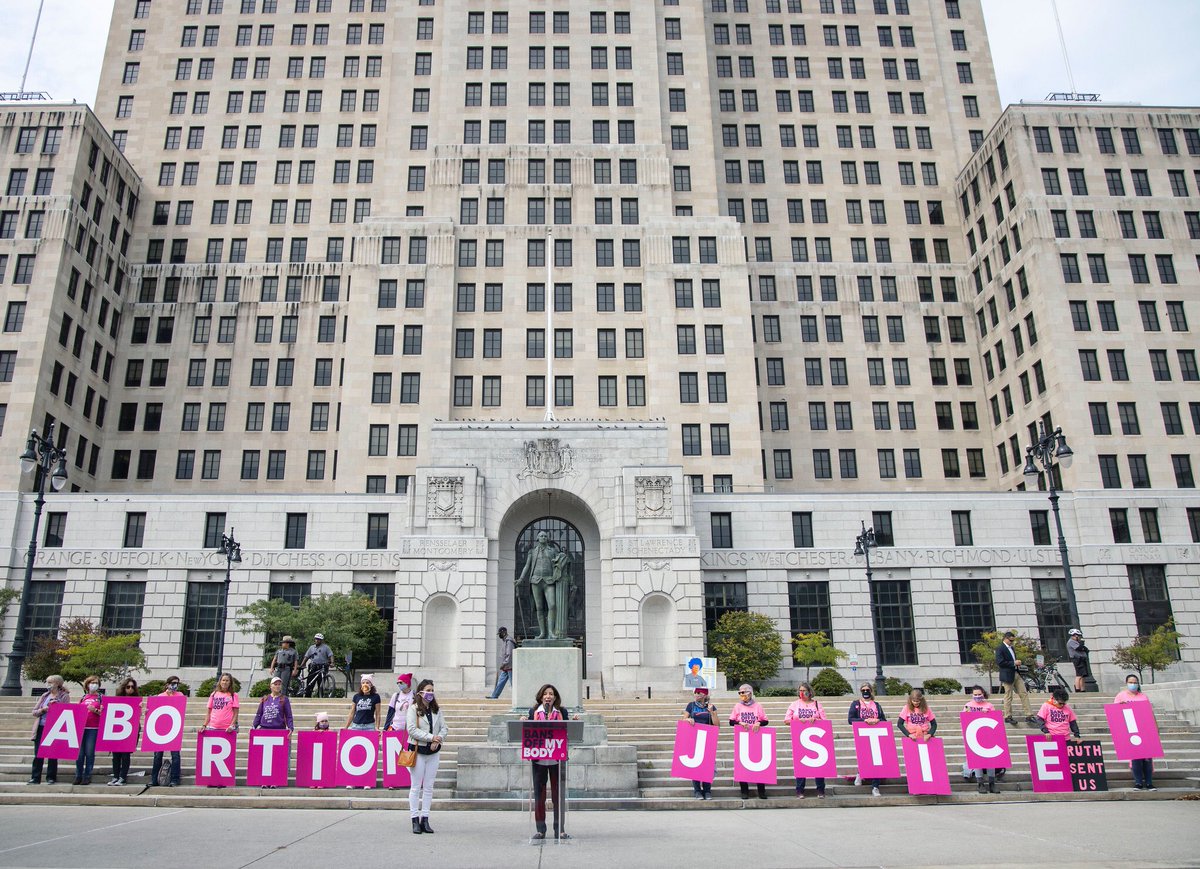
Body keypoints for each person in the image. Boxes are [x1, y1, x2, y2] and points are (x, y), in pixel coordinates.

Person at [521, 684, 579, 839]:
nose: (548, 696)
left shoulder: (562, 712)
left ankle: (559, 829)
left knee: (557, 796)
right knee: (539, 796)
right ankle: (540, 829)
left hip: (556, 759)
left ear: (555, 697)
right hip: (539, 759)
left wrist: (573, 722)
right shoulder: (534, 712)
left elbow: (568, 732)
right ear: (541, 697)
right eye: (545, 694)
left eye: (551, 694)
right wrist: (524, 722)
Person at [406, 679, 447, 835]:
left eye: (432, 690)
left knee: (429, 787)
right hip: (418, 751)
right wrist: (431, 738)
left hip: (433, 752)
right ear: (420, 692)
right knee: (416, 786)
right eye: (428, 690)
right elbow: (411, 730)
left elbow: (444, 727)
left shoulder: (436, 710)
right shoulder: (413, 709)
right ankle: (414, 819)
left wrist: (439, 738)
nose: (430, 693)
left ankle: (425, 818)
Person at [517, 531, 573, 640]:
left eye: (545, 536)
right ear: (537, 538)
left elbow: (560, 562)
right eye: (541, 536)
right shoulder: (532, 552)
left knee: (552, 605)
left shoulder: (552, 551)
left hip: (549, 581)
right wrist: (521, 579)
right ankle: (542, 633)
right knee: (539, 608)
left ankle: (551, 632)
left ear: (547, 539)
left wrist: (564, 557)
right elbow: (527, 566)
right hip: (536, 581)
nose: (543, 537)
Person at [785, 682, 827, 798]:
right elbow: (786, 720)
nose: (802, 693)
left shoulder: (817, 704)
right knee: (801, 764)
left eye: (804, 690)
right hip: (800, 737)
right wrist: (798, 721)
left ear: (810, 691)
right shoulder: (794, 704)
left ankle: (820, 790)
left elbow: (825, 721)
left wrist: (815, 719)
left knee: (818, 765)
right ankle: (800, 790)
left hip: (816, 738)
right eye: (800, 691)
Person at [1114, 674, 1155, 791]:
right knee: (1135, 757)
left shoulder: (1143, 696)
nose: (1133, 684)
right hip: (1130, 729)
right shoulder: (1121, 696)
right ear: (1126, 683)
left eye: (1135, 682)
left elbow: (1149, 713)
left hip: (1144, 729)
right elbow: (1115, 713)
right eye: (1131, 682)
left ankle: (1149, 782)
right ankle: (1138, 782)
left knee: (1147, 757)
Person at [729, 683, 769, 800]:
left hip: (756, 737)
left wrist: (758, 723)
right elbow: (731, 721)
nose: (742, 695)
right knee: (742, 764)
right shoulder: (737, 706)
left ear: (750, 693)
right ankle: (744, 791)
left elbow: (765, 721)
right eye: (740, 693)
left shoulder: (758, 706)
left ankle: (761, 791)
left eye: (744, 692)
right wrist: (740, 722)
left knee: (759, 763)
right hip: (742, 737)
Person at [28, 675, 70, 785]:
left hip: (54, 728)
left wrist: (56, 706)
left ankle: (51, 777)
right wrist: (44, 709)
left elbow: (66, 712)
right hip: (41, 726)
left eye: (51, 682)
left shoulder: (64, 696)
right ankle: (35, 777)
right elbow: (34, 712)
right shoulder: (45, 695)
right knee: (38, 754)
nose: (48, 685)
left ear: (57, 683)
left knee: (52, 754)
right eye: (48, 682)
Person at [961, 685, 1003, 793]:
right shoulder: (968, 705)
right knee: (977, 761)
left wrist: (988, 713)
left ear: (983, 694)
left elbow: (996, 720)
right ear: (972, 695)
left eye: (979, 694)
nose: (977, 696)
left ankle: (992, 783)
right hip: (974, 737)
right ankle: (980, 783)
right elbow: (964, 719)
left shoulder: (989, 705)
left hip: (988, 737)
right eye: (975, 695)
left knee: (990, 761)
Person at [848, 683, 887, 797]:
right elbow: (850, 719)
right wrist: (864, 720)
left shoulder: (877, 705)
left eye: (867, 690)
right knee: (864, 756)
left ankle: (875, 787)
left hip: (876, 734)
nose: (865, 692)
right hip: (862, 734)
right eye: (863, 690)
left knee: (876, 760)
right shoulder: (856, 704)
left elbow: (883, 719)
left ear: (871, 691)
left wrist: (877, 720)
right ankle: (860, 773)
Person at [681, 686, 717, 800]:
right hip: (694, 737)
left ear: (705, 695)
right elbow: (683, 720)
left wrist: (712, 713)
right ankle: (697, 790)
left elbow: (716, 725)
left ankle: (707, 791)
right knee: (695, 765)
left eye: (699, 693)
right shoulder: (691, 705)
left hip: (707, 737)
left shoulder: (711, 707)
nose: (696, 695)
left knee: (707, 765)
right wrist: (688, 720)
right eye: (695, 693)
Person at [995, 631, 1036, 726]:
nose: (1012, 642)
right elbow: (1000, 662)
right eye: (1010, 640)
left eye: (1013, 641)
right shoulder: (1000, 648)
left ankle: (1029, 715)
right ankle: (1008, 716)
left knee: (1023, 693)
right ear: (1005, 638)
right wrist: (1013, 663)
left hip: (1015, 672)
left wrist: (1016, 664)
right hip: (1007, 674)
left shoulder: (1012, 648)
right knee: (1008, 695)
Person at [149, 677, 184, 787]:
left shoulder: (180, 695)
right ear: (167, 684)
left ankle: (175, 778)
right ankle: (154, 779)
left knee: (175, 755)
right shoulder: (160, 696)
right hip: (161, 728)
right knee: (158, 755)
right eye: (173, 683)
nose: (175, 685)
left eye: (177, 683)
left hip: (174, 728)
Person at [108, 677, 140, 786]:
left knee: (126, 755)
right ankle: (115, 776)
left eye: (132, 687)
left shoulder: (137, 700)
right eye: (128, 687)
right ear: (124, 688)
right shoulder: (118, 699)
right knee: (116, 755)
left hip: (130, 730)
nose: (130, 689)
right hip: (117, 729)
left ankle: (122, 777)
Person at [73, 674, 103, 785]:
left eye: (96, 683)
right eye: (91, 683)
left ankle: (87, 775)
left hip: (93, 728)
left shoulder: (100, 698)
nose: (93, 685)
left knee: (89, 753)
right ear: (87, 685)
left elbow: (104, 714)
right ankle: (78, 775)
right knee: (79, 754)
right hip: (81, 727)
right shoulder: (83, 697)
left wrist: (94, 710)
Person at [487, 628, 517, 699]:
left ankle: (518, 697)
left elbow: (509, 654)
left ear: (504, 633)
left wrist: (504, 663)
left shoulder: (509, 641)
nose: (499, 635)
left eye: (500, 633)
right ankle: (494, 696)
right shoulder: (505, 641)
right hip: (506, 667)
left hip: (509, 666)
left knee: (513, 683)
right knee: (500, 682)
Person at [1067, 628, 1090, 693]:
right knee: (1079, 675)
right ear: (1074, 635)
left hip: (1081, 659)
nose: (1078, 637)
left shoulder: (1076, 642)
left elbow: (1084, 649)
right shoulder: (1071, 642)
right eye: (1077, 635)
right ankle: (1078, 689)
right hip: (1077, 659)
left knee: (1083, 675)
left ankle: (1083, 689)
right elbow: (1079, 648)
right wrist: (1082, 645)